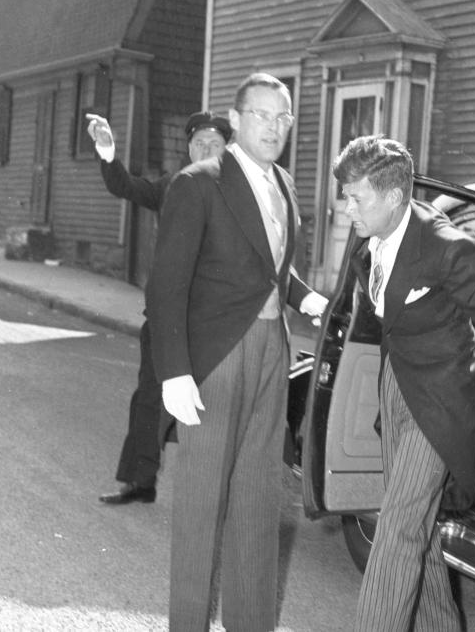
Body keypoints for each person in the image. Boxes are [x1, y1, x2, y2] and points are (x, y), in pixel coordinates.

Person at [146, 72, 327, 632]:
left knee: (256, 507)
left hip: (273, 353)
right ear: (237, 118)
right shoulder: (199, 183)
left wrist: (307, 298)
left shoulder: (284, 185)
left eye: (283, 118)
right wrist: (173, 372)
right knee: (201, 511)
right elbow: (166, 284)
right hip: (216, 360)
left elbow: (267, 263)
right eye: (262, 115)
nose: (274, 128)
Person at [333, 135, 475, 632]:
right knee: (415, 527)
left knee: (398, 528)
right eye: (346, 195)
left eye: (357, 197)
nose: (346, 208)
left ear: (395, 196)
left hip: (442, 404)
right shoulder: (369, 233)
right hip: (397, 387)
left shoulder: (445, 247)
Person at [87, 110, 232, 505]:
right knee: (150, 396)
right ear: (187, 148)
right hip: (168, 316)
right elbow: (125, 186)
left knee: (217, 402)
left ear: (227, 148)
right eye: (199, 143)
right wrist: (107, 151)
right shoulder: (174, 185)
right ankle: (140, 481)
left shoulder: (237, 190)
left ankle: (214, 491)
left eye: (215, 144)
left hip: (214, 320)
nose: (206, 149)